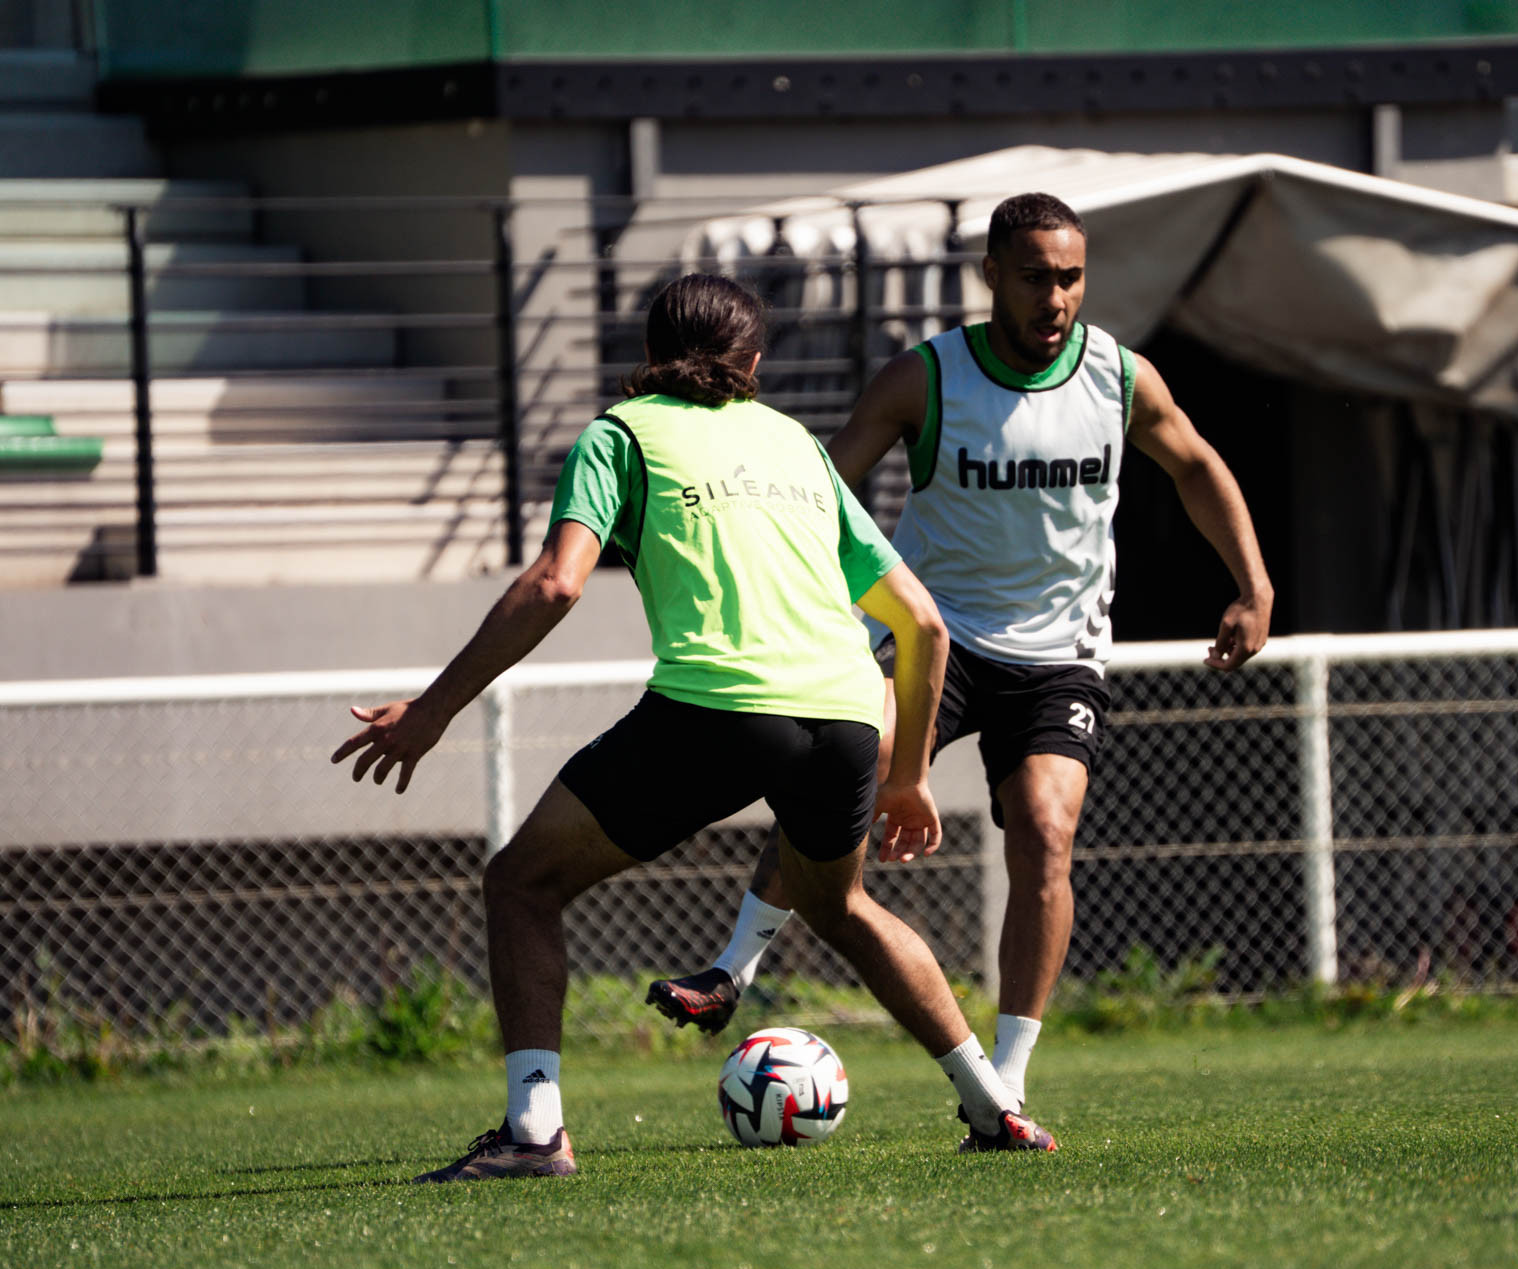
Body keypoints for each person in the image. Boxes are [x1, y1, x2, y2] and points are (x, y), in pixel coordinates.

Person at [332, 274, 1057, 1181]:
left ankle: (535, 1132)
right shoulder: (796, 444)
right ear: (753, 362)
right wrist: (907, 775)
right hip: (844, 713)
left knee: (522, 884)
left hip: (721, 708)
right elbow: (923, 625)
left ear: (648, 354)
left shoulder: (619, 434)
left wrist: (433, 710)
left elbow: (555, 584)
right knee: (841, 907)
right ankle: (997, 1109)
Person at [648, 194, 1273, 1112]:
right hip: (934, 637)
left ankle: (1007, 1080)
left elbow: (1196, 464)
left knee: (1046, 834)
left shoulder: (1119, 378)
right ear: (990, 276)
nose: (1055, 298)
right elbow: (821, 488)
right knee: (845, 777)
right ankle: (731, 971)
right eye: (1034, 277)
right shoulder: (925, 379)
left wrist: (1253, 585)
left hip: (1060, 652)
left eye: (1070, 278)